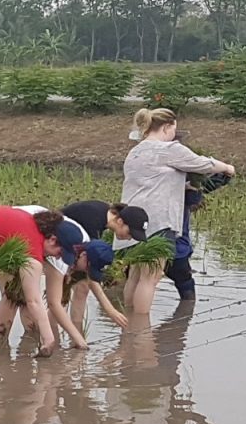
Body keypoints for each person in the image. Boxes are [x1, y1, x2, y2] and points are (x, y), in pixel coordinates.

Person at [122, 109, 235, 320]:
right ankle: (139, 331)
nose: (175, 134)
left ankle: (128, 326)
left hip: (131, 220)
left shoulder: (136, 151)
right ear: (167, 127)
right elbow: (204, 164)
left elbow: (155, 182)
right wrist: (228, 168)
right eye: (174, 129)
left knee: (135, 275)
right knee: (150, 278)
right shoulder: (169, 149)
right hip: (158, 222)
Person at [0, 205, 74, 356]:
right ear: (52, 239)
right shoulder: (32, 250)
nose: (57, 258)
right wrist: (48, 339)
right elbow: (34, 301)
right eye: (59, 252)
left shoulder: (31, 226)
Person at [53, 200, 126, 332]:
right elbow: (89, 265)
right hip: (56, 248)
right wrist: (109, 309)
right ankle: (56, 336)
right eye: (129, 232)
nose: (128, 237)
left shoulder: (102, 212)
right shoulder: (94, 220)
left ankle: (76, 330)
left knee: (81, 289)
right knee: (59, 296)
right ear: (120, 221)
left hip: (68, 249)